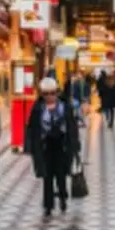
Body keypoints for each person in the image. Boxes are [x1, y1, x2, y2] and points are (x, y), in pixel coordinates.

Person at [25, 77, 80, 217]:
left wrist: (75, 145)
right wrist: (30, 146)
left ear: (57, 92)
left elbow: (72, 127)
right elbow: (31, 128)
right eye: (46, 94)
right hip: (45, 146)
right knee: (47, 176)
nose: (49, 96)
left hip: (62, 145)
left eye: (52, 93)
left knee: (61, 174)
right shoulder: (38, 108)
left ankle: (62, 197)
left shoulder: (65, 106)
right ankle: (48, 205)